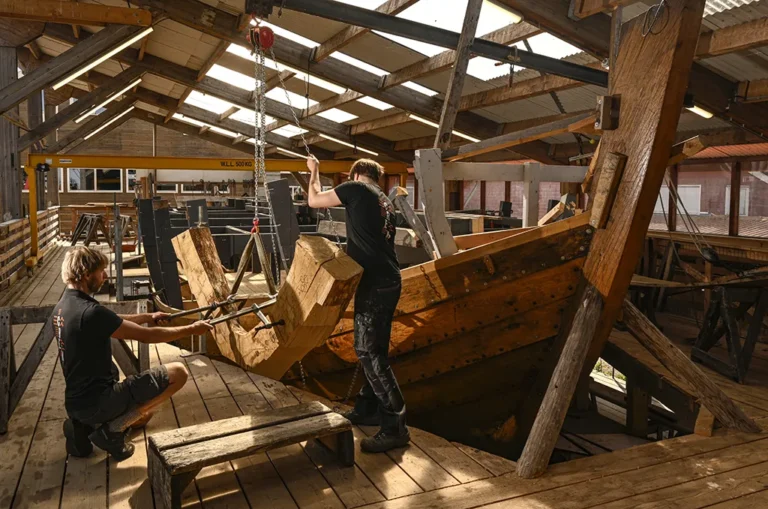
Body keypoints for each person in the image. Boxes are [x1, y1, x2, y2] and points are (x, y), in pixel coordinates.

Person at [55, 246, 213, 461]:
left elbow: (112, 319)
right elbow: (148, 337)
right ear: (85, 275)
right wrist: (193, 329)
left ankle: (80, 426)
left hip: (75, 402)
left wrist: (148, 316)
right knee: (178, 373)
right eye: (101, 271)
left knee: (142, 418)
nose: (105, 276)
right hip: (101, 401)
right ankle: (112, 431)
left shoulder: (64, 307)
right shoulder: (92, 313)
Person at [306, 157, 408, 453]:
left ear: (354, 174)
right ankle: (367, 409)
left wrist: (314, 171)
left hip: (375, 283)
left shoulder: (355, 188)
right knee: (372, 351)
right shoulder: (384, 201)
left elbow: (314, 200)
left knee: (370, 353)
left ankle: (396, 428)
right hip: (388, 279)